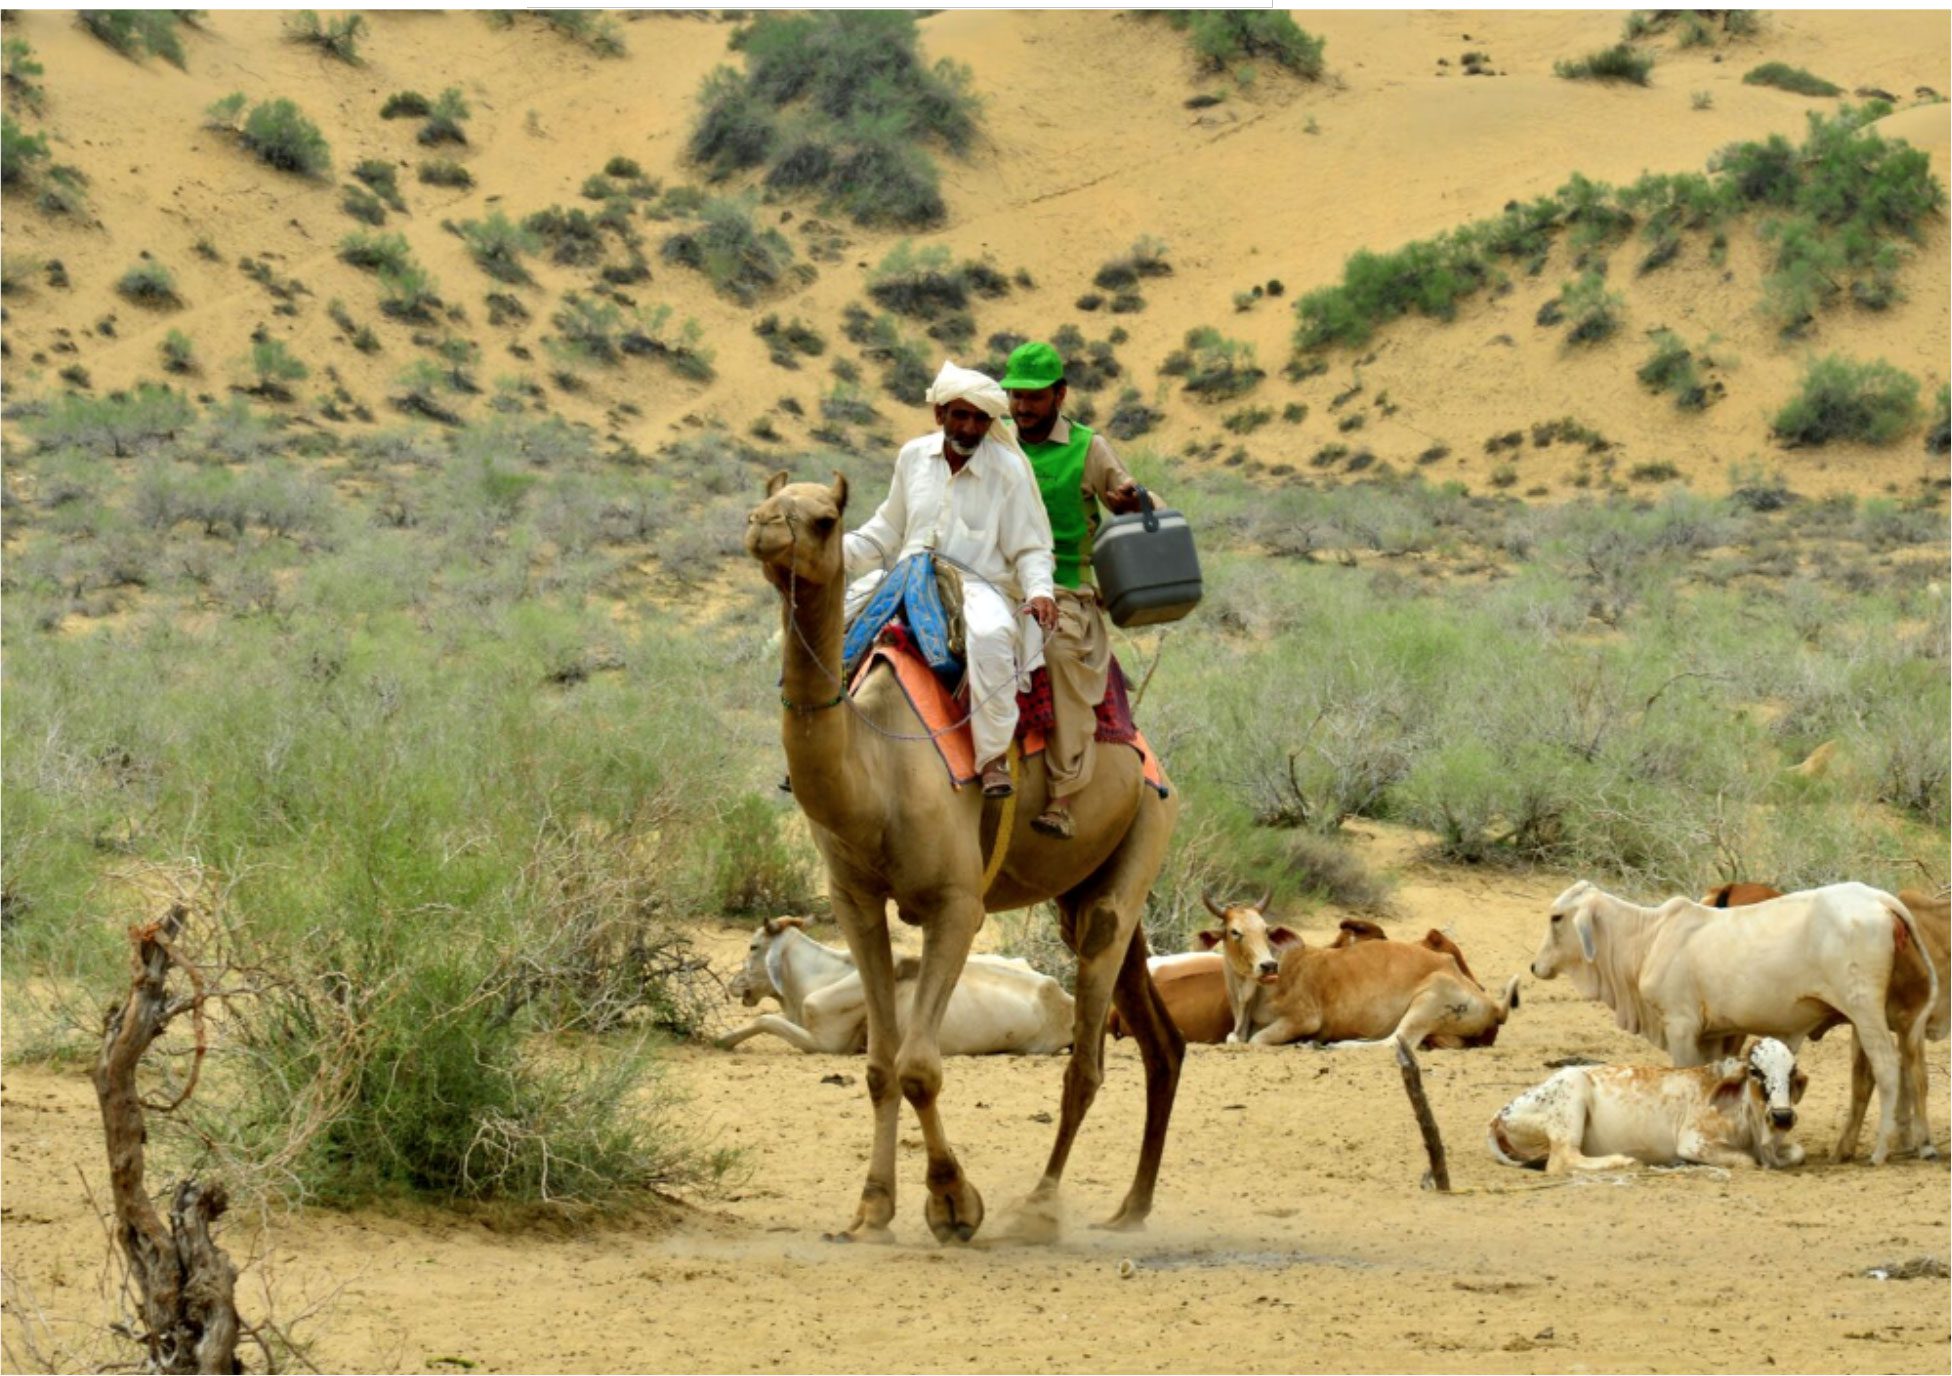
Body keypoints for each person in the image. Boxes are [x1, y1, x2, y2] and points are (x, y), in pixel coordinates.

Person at [844, 362, 1057, 798]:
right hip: (907, 574)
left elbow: (1030, 547)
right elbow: (888, 527)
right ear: (939, 414)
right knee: (838, 616)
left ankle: (992, 756)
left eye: (981, 418)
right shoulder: (912, 457)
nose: (969, 426)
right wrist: (831, 552)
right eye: (960, 415)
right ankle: (824, 744)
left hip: (976, 586)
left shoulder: (1007, 470)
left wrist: (1039, 591)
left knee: (993, 636)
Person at [998, 340, 1147, 840]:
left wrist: (1130, 500)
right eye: (1015, 396)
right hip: (990, 578)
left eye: (1034, 397)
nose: (1022, 407)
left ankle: (1063, 796)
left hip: (1063, 589)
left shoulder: (1088, 447)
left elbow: (1142, 503)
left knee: (1058, 655)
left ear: (1060, 395)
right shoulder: (996, 438)